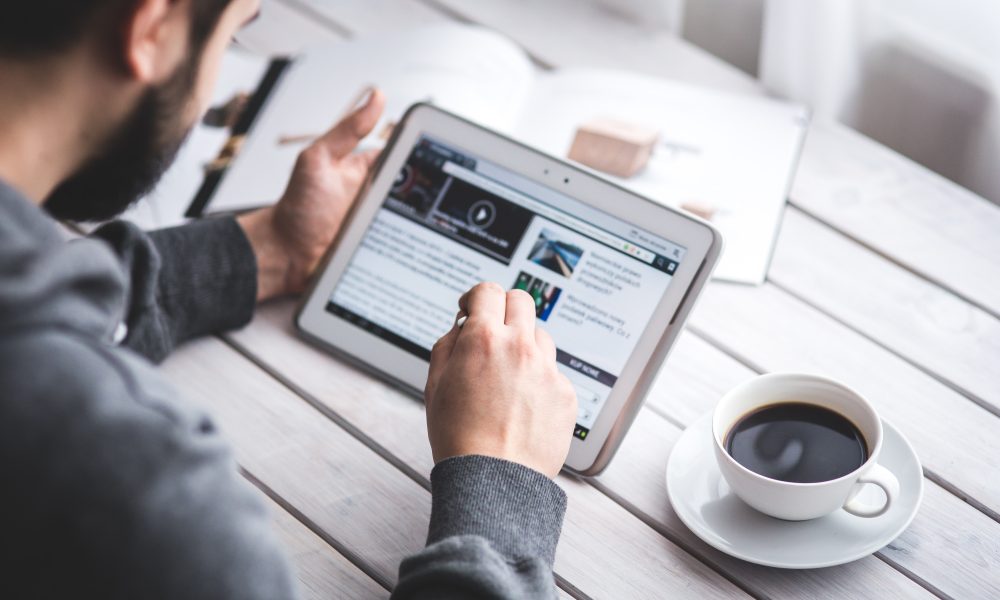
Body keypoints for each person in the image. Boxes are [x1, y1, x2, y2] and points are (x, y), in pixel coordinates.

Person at [0, 1, 578, 598]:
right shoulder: (146, 498)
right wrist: (500, 485)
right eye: (233, 35)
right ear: (151, 28)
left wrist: (269, 248)